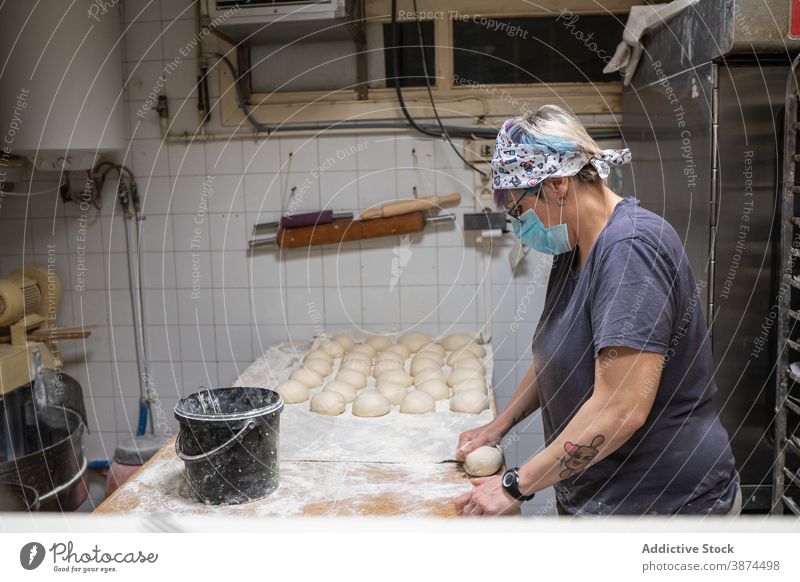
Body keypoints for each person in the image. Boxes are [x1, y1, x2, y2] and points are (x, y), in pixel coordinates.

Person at [455, 105, 741, 516]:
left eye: (519, 210)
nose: (519, 226)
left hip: (665, 506)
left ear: (556, 185)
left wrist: (515, 486)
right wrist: (499, 425)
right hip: (607, 499)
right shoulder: (574, 249)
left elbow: (621, 409)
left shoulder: (631, 251)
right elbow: (557, 358)